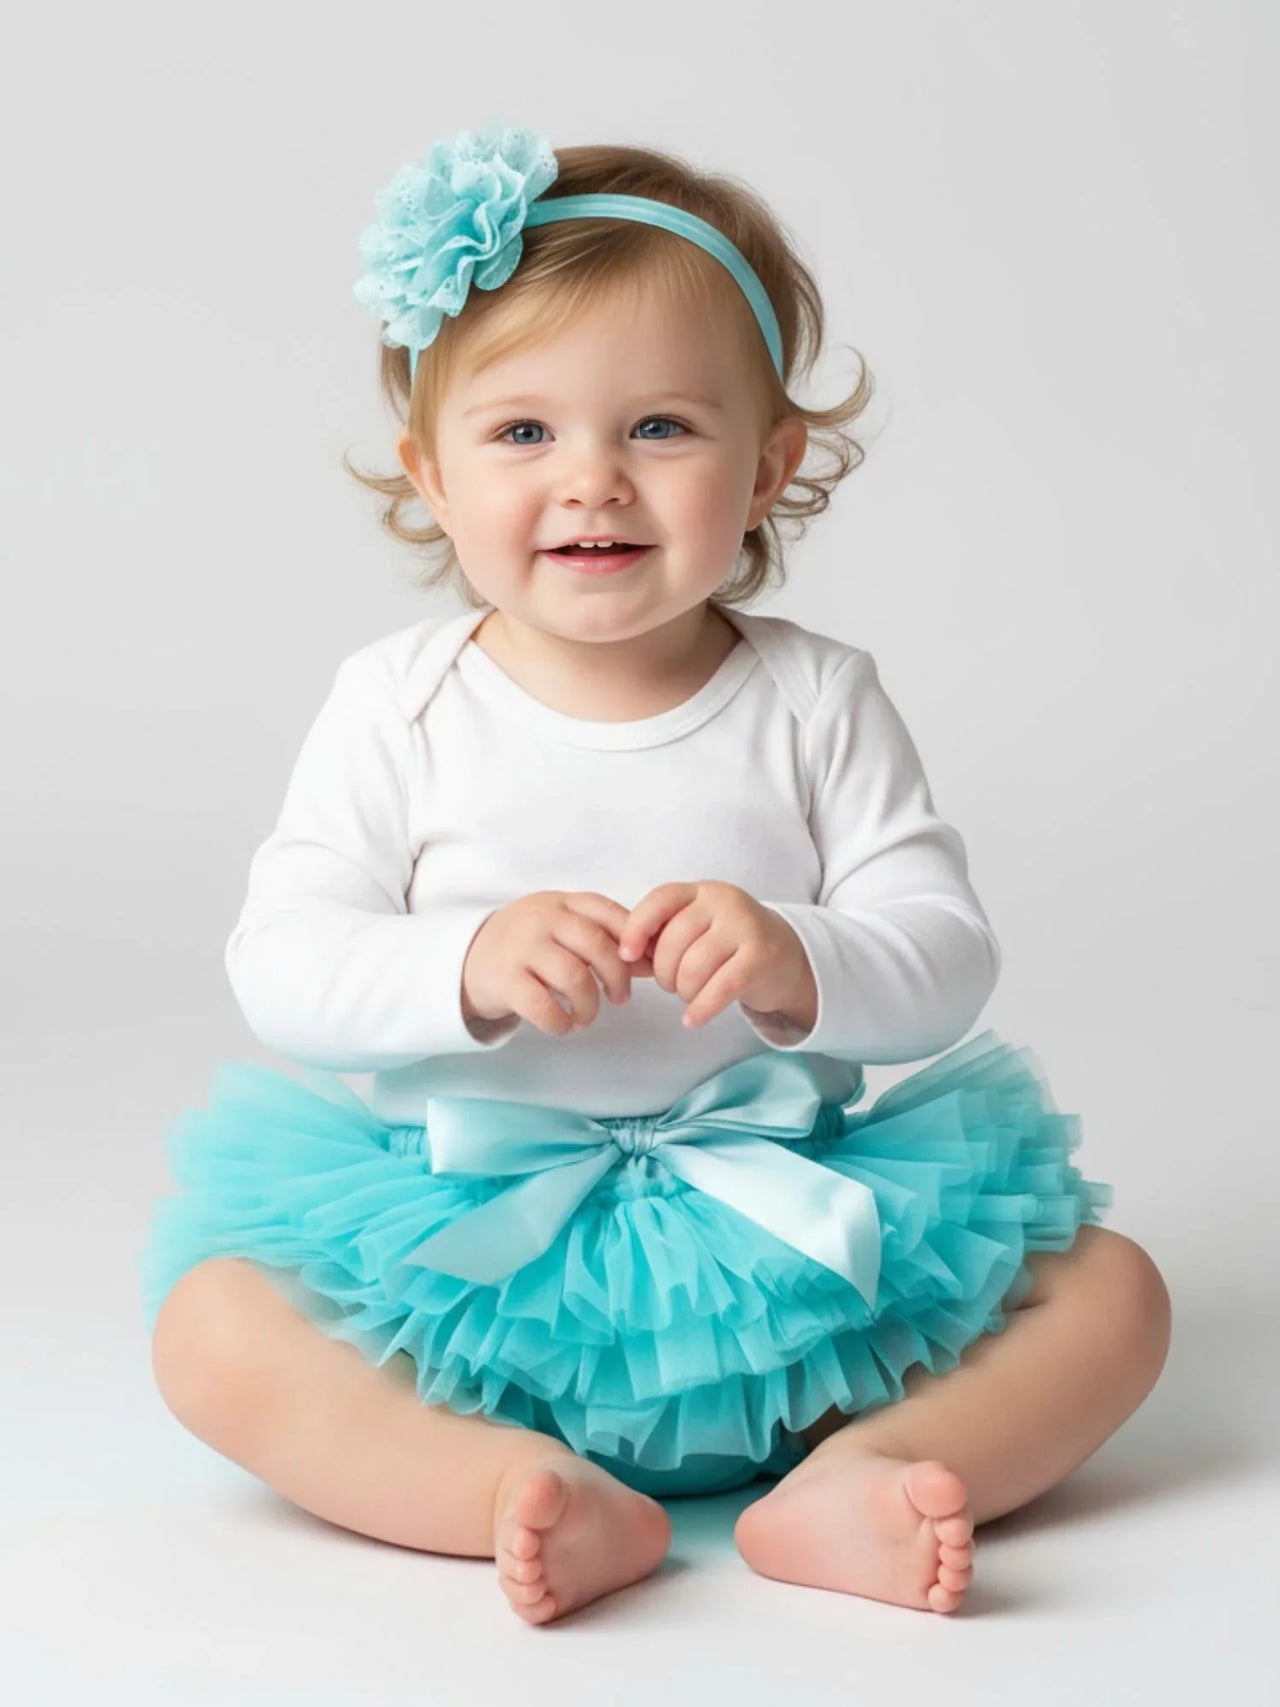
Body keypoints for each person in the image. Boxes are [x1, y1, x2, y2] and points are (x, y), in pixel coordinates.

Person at [140, 122, 1171, 1627]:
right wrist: (464, 967)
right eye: (522, 434)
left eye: (663, 429)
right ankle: (503, 1486)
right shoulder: (399, 704)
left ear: (770, 466)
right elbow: (282, 959)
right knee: (213, 1333)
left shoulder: (816, 698)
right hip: (470, 1279)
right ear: (430, 472)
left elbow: (945, 950)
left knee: (1117, 1296)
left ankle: (862, 1474)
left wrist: (803, 953)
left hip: (793, 1255)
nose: (593, 484)